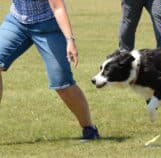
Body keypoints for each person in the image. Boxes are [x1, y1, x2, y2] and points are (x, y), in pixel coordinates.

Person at [0, 0, 100, 140]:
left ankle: (89, 129)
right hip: (17, 21)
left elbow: (58, 7)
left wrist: (70, 40)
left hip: (48, 26)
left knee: (62, 83)